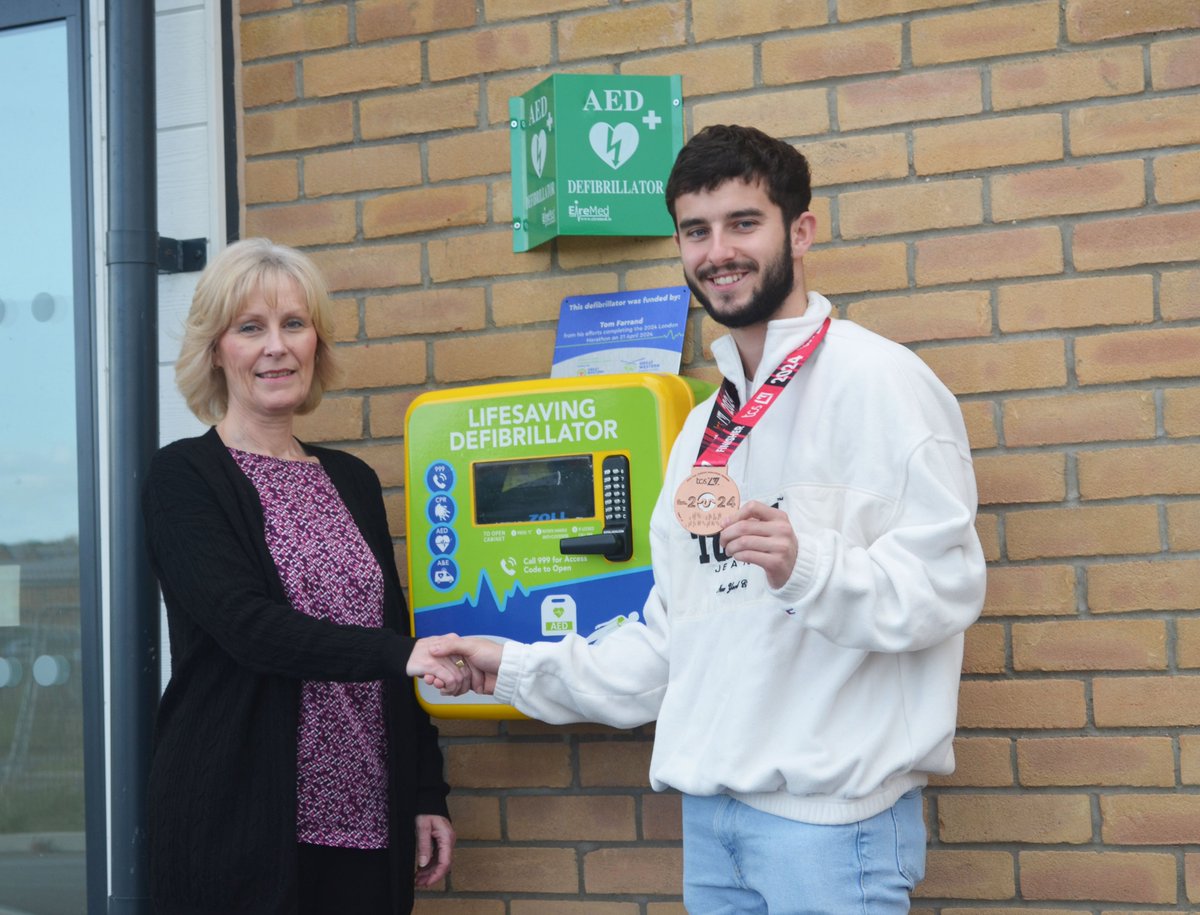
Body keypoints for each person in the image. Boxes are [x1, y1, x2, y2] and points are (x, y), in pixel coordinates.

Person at [431, 125, 987, 913]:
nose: (717, 250)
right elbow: (672, 642)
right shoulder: (704, 429)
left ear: (800, 231)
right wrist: (516, 666)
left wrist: (809, 564)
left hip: (829, 831)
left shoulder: (884, 384)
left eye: (742, 223)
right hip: (713, 825)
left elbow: (947, 588)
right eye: (696, 230)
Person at [142, 238, 468, 915]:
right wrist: (402, 653)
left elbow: (389, 632)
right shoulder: (185, 478)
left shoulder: (350, 478)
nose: (276, 346)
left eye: (294, 324)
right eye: (250, 328)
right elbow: (248, 625)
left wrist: (424, 792)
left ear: (316, 342)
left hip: (365, 819)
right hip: (241, 823)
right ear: (215, 349)